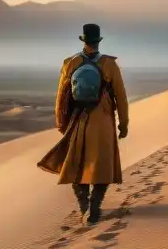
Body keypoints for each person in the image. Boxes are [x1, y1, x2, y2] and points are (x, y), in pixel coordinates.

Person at [38, 23, 129, 225]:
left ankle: (84, 206)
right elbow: (121, 97)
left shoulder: (71, 63)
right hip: (103, 119)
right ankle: (95, 207)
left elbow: (61, 96)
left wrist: (61, 122)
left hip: (78, 119)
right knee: (102, 164)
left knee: (76, 164)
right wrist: (123, 124)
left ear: (84, 40)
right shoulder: (110, 64)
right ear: (98, 41)